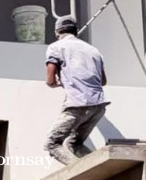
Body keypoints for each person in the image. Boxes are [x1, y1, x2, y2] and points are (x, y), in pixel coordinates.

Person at [44, 14, 108, 163]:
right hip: (98, 107)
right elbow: (103, 81)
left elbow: (50, 81)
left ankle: (81, 171)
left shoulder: (55, 47)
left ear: (57, 32)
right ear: (76, 31)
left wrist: (60, 82)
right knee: (74, 144)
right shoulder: (94, 50)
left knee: (52, 144)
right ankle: (97, 167)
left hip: (77, 105)